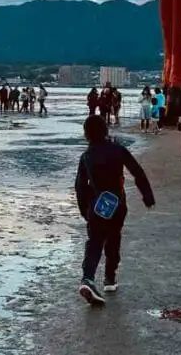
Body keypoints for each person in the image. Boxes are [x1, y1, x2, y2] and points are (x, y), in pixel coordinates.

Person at [75, 114, 155, 305]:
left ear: (86, 134)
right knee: (114, 237)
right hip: (117, 203)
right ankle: (110, 278)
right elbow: (137, 171)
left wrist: (84, 209)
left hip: (96, 205)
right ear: (105, 131)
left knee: (94, 242)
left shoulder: (86, 156)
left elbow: (80, 186)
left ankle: (87, 278)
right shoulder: (118, 150)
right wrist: (147, 196)